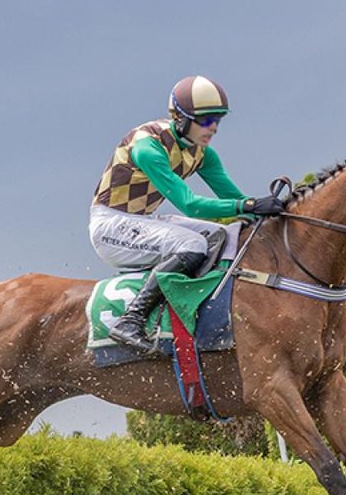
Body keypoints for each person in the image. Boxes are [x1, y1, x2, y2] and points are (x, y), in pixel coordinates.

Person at [89, 75, 286, 354]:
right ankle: (130, 320)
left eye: (218, 119)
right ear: (180, 118)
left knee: (219, 234)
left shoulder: (203, 154)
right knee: (192, 244)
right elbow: (189, 205)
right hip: (110, 226)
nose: (214, 127)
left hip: (142, 221)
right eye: (206, 120)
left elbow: (234, 198)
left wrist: (276, 213)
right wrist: (248, 206)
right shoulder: (148, 148)